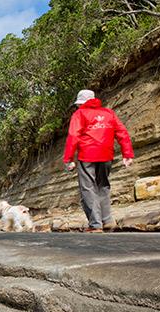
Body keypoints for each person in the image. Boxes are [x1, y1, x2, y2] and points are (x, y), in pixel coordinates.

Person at [63, 89, 134, 233]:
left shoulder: (79, 114)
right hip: (106, 155)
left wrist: (68, 159)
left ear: (80, 103)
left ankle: (95, 225)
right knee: (103, 186)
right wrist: (127, 154)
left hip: (87, 155)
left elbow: (73, 136)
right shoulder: (109, 113)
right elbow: (122, 132)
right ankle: (107, 221)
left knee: (88, 189)